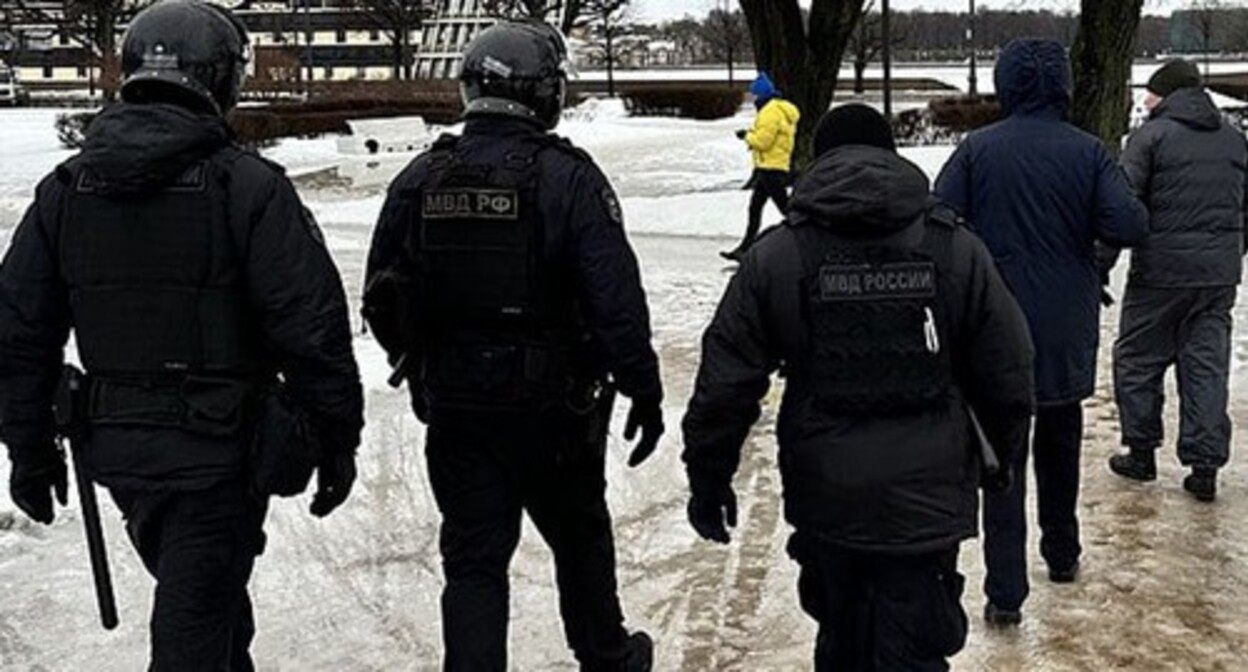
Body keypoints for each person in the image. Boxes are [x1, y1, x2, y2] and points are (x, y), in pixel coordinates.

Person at [0, 0, 364, 668]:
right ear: (224, 80)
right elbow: (311, 329)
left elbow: (18, 334)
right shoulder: (248, 187)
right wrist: (337, 439)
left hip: (124, 456)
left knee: (210, 605)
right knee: (192, 633)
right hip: (219, 455)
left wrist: (28, 448)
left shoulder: (64, 189)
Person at [682, 103, 1035, 671]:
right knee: (916, 644)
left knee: (843, 638)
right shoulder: (955, 249)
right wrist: (998, 459)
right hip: (928, 495)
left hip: (830, 493)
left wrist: (708, 477)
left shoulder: (778, 256)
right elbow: (1009, 369)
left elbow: (725, 383)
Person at [362, 20, 663, 672]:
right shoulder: (569, 179)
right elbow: (615, 296)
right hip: (552, 409)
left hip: (457, 404)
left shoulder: (421, 177)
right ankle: (606, 657)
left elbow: (381, 295)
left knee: (473, 558)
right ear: (545, 94)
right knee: (580, 536)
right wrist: (642, 384)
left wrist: (417, 362)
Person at [934, 39, 1149, 625]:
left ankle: (1005, 593)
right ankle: (1062, 551)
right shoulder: (1089, 152)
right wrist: (1088, 248)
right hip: (1064, 324)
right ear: (1062, 87)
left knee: (1003, 460)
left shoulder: (977, 150)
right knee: (1060, 444)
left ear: (1005, 85)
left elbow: (937, 219)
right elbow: (1128, 221)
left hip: (993, 325)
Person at [1104, 59, 1247, 502]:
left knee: (1138, 359)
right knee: (1206, 364)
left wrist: (1100, 264)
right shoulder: (1235, 140)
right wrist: (1232, 252)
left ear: (1166, 95)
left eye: (1150, 92)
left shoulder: (1149, 138)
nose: (1145, 100)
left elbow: (1122, 207)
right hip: (1218, 275)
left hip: (1160, 274)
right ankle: (1205, 465)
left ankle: (1142, 452)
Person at [722, 72, 801, 262]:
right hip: (772, 166)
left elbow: (764, 142)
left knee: (785, 209)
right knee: (755, 207)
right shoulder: (777, 109)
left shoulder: (770, 113)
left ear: (762, 95)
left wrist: (746, 136)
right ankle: (745, 248)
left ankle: (806, 239)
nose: (752, 99)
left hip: (770, 168)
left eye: (754, 95)